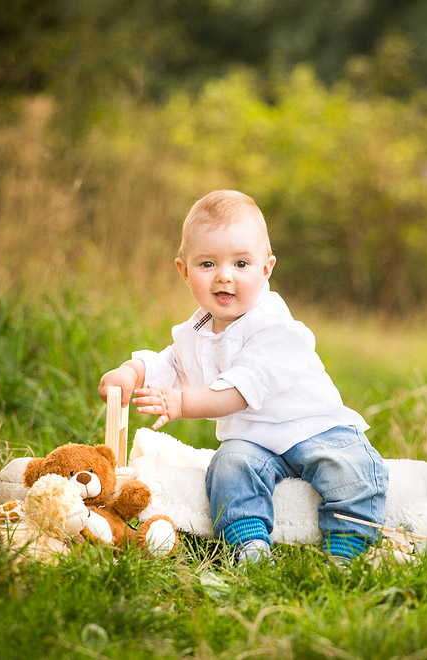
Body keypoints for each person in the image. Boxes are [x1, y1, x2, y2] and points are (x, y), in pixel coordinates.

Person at [98, 189, 388, 564]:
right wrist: (131, 372)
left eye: (240, 264)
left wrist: (181, 402)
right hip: (254, 440)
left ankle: (347, 551)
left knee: (351, 471)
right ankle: (248, 545)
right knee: (228, 467)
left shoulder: (274, 326)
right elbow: (170, 362)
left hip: (314, 428)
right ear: (184, 271)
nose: (224, 277)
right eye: (207, 264)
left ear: (266, 269)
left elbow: (238, 392)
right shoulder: (197, 329)